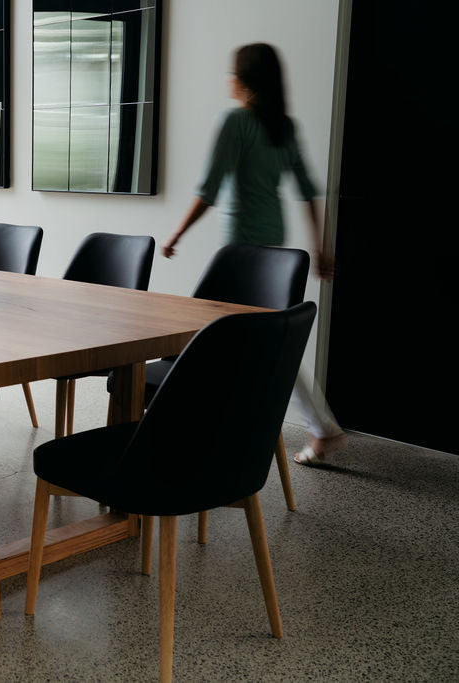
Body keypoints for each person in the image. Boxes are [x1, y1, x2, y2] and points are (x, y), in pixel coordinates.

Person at [162, 42, 345, 464]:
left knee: (234, 337)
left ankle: (316, 429)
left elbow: (209, 190)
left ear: (244, 81)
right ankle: (316, 429)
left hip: (243, 249)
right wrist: (320, 246)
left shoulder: (235, 122)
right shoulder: (285, 127)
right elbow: (308, 190)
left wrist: (177, 234)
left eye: (232, 73)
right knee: (263, 340)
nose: (227, 80)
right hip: (272, 246)